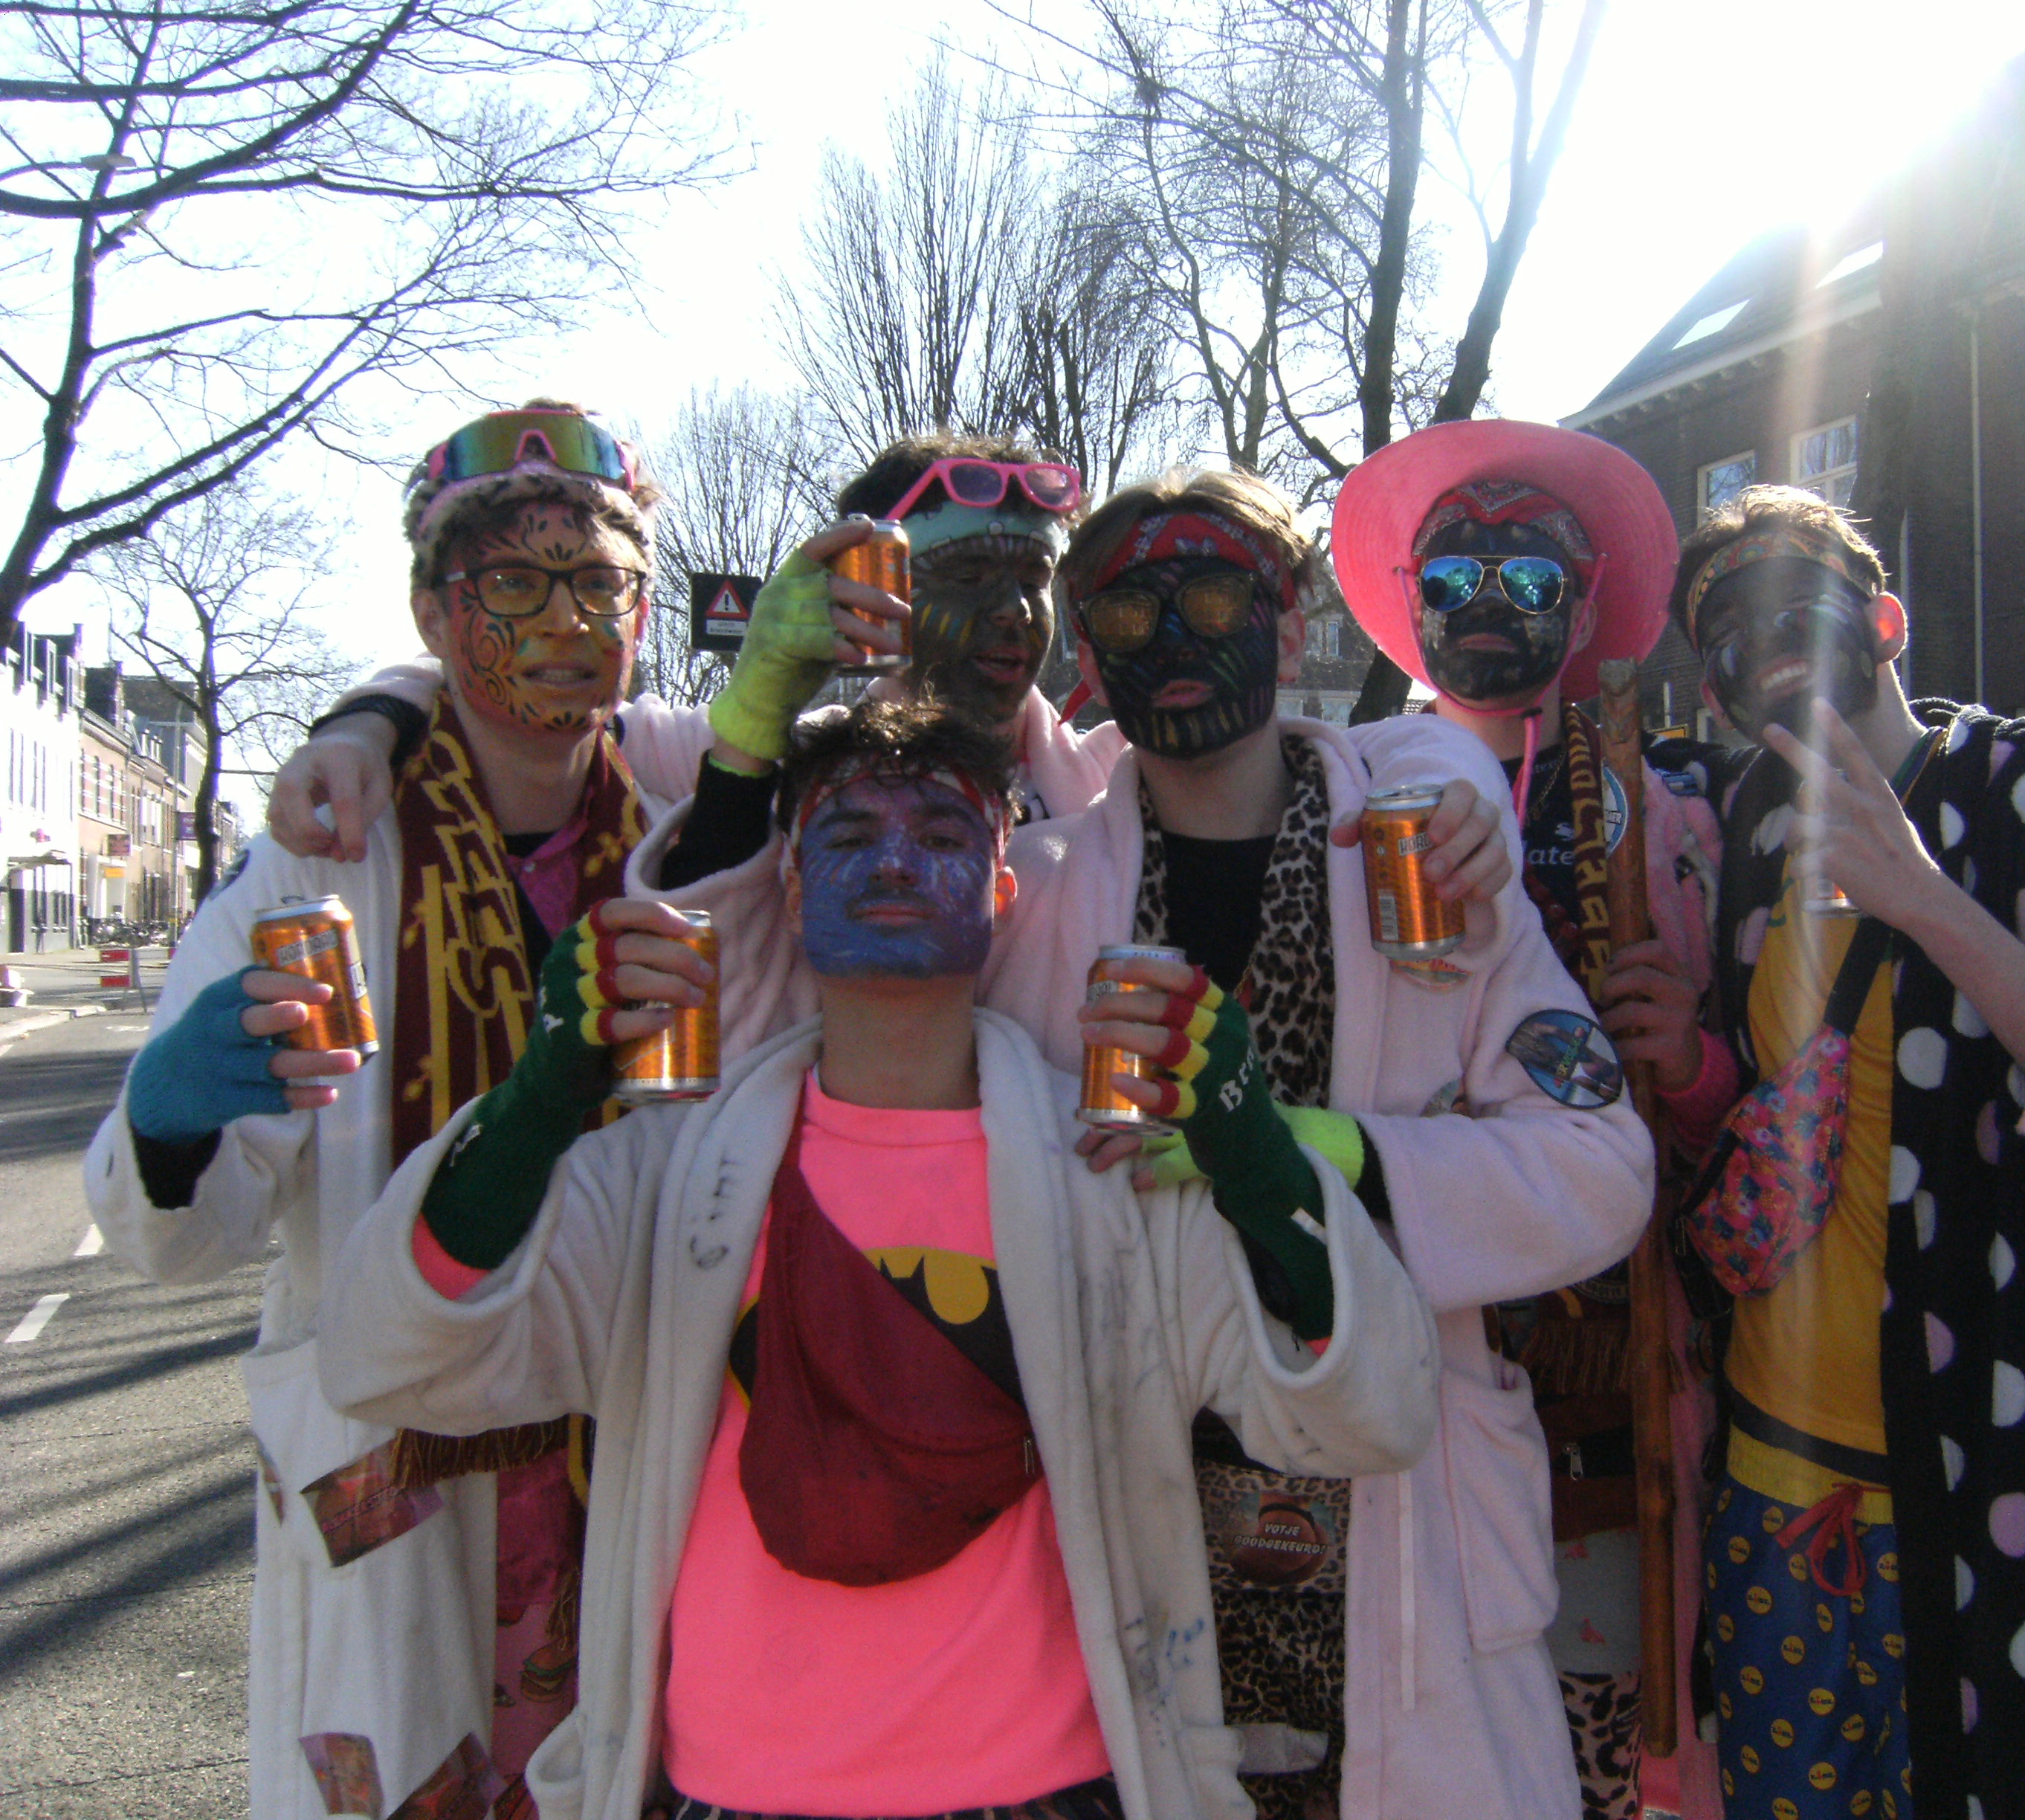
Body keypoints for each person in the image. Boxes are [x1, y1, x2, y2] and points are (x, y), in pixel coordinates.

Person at [642, 464, 1655, 1820]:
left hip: (1403, 1526)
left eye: (1217, 598)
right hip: (1142, 1517)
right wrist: (754, 722)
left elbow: (1598, 1169)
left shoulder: (1425, 859)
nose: (1174, 637)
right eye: (1127, 613)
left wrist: (1324, 1153)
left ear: (1288, 625)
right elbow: (790, 1020)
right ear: (1086, 648)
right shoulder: (1040, 897)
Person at [315, 697, 1444, 1820]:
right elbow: (391, 1364)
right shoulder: (665, 1179)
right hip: (729, 1793)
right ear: (791, 889)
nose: (896, 861)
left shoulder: (1112, 1178)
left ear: (1003, 892)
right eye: (849, 836)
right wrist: (532, 1110)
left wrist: (1261, 1167)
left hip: (1056, 1791)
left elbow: (1372, 1418)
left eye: (945, 836)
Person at [81, 403, 766, 1819]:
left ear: (643, 612)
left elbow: (823, 741)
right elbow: (186, 1237)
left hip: (618, 1434)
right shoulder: (324, 861)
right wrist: (168, 1125)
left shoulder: (673, 812)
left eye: (599, 584)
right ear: (433, 609)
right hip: (397, 1472)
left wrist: (377, 701)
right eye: (512, 583)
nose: (562, 621)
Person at [1658, 485, 2025, 1819]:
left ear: (1885, 623)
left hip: (2009, 1478)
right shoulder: (1746, 829)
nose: (1763, 643)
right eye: (1724, 630)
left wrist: (1926, 901)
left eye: (1795, 606)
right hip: (1775, 1486)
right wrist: (1688, 1064)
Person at [1331, 418, 1725, 1820]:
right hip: (1406, 1341)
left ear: (1588, 597)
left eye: (1529, 577)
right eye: (1452, 578)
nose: (1487, 606)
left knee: (1594, 1725)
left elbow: (1755, 1096)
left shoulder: (1675, 814)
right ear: (1409, 599)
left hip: (1616, 1367)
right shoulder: (1342, 791)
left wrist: (1693, 1064)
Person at [267, 431, 1113, 860]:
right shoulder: (778, 758)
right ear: (865, 582)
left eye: (1034, 577)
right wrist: (371, 720)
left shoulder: (1112, 783)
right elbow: (556, 701)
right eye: (966, 575)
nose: (1013, 611)